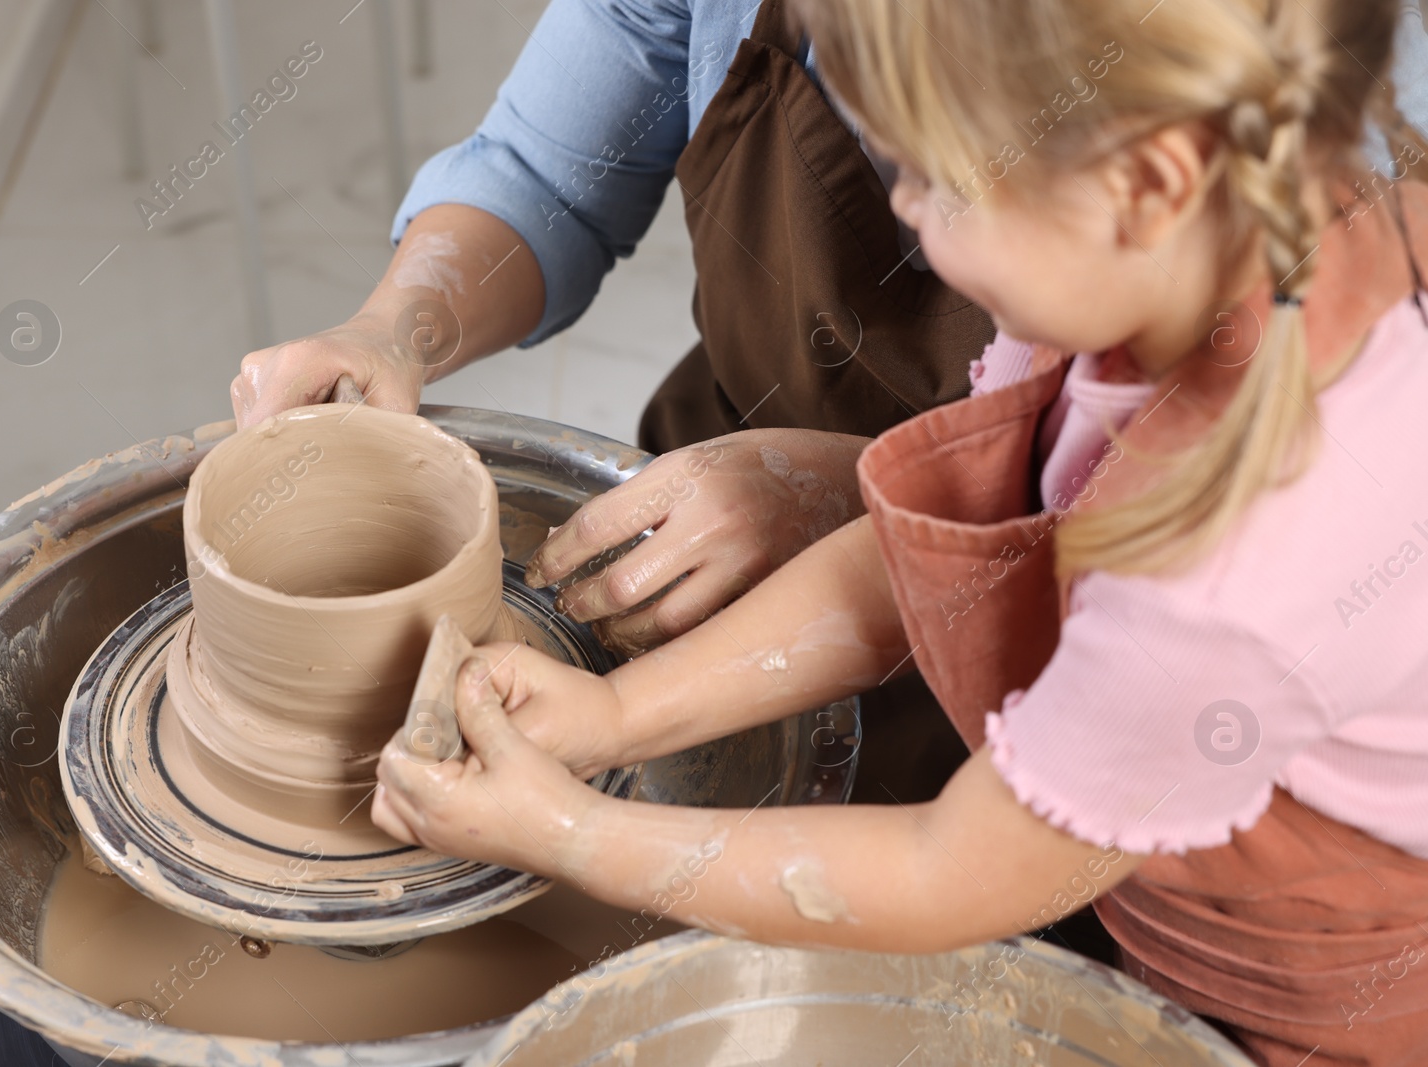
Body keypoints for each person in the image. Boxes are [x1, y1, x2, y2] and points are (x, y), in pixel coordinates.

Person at [370, 0, 1428, 1062]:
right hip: (1125, 841)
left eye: (930, 178)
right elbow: (918, 561)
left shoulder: (1228, 575)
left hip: (1304, 994)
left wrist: (567, 832)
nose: (906, 215)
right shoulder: (1168, 259)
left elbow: (943, 871)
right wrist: (610, 715)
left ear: (1144, 187)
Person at [231, 0, 995, 804]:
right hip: (713, 485)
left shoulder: (1111, 88)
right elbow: (543, 178)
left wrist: (853, 493)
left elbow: (1114, 483)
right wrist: (391, 330)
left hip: (1016, 641)